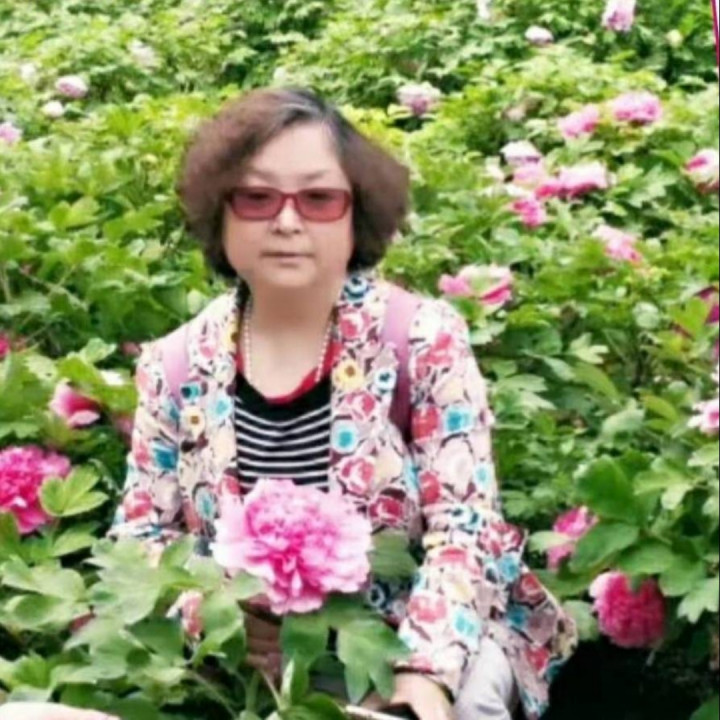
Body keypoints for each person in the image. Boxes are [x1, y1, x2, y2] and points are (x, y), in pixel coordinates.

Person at [0, 87, 577, 720]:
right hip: (243, 667)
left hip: (421, 639)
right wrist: (210, 610)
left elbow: (464, 526)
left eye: (318, 198)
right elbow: (141, 538)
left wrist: (422, 673)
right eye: (257, 198)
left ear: (357, 213)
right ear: (220, 213)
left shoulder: (420, 338)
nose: (286, 222)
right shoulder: (174, 366)